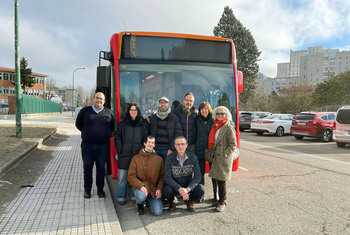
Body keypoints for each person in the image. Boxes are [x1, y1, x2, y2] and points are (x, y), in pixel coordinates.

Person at [75, 92, 116, 199]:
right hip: (87, 146)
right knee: (87, 168)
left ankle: (100, 190)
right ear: (93, 99)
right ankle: (87, 190)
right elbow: (78, 124)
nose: (99, 100)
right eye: (97, 98)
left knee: (101, 168)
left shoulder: (109, 112)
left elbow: (112, 127)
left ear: (104, 101)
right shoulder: (85, 111)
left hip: (102, 146)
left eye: (101, 99)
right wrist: (88, 133)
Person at [115, 103, 149, 205]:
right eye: (131, 110)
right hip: (124, 154)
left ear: (138, 111)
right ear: (128, 111)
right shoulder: (123, 123)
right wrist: (120, 149)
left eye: (135, 110)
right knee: (122, 177)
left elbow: (146, 138)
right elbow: (117, 137)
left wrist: (143, 150)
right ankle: (121, 197)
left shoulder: (143, 123)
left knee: (137, 177)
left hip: (137, 155)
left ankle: (135, 196)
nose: (133, 112)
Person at [162, 136, 205, 212]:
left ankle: (189, 200)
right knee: (166, 190)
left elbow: (198, 177)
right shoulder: (169, 158)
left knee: (201, 189)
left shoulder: (193, 157)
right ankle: (171, 202)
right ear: (174, 146)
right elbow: (167, 177)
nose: (180, 146)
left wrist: (188, 189)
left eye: (182, 144)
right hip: (174, 186)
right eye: (178, 144)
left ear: (186, 145)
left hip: (187, 185)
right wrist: (179, 188)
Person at [208, 106, 237, 212]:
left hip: (223, 158)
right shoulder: (215, 125)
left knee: (222, 180)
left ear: (227, 115)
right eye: (218, 114)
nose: (220, 116)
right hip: (216, 156)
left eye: (222, 114)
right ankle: (219, 199)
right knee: (216, 178)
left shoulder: (228, 127)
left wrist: (225, 154)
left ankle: (222, 202)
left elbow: (233, 144)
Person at [127, 136, 164, 216]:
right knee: (140, 196)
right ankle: (140, 205)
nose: (150, 144)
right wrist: (140, 186)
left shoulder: (159, 159)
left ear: (154, 145)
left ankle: (148, 201)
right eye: (149, 142)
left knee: (158, 212)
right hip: (141, 188)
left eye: (152, 143)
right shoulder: (136, 158)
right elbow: (131, 176)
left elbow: (162, 176)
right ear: (145, 143)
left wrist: (159, 189)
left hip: (153, 189)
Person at [150, 97, 183, 161]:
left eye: (165, 102)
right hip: (155, 150)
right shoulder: (154, 117)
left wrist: (171, 149)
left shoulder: (174, 118)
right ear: (159, 104)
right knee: (156, 170)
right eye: (161, 102)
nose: (163, 104)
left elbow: (178, 134)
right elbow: (150, 133)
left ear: (168, 104)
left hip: (168, 150)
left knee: (167, 170)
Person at [194, 102, 214, 202]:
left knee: (214, 173)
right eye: (202, 109)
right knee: (200, 173)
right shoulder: (196, 120)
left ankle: (216, 194)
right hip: (199, 150)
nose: (204, 111)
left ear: (209, 109)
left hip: (211, 150)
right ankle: (201, 194)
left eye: (206, 109)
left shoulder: (213, 120)